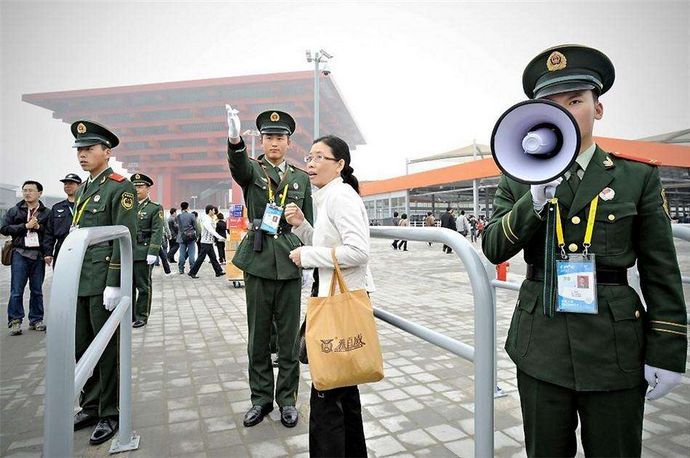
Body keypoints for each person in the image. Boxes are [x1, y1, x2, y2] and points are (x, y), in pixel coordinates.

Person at [482, 44, 687, 457]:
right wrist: (533, 202)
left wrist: (668, 349)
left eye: (576, 100)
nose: (565, 112)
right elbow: (493, 246)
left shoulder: (636, 176)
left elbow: (660, 269)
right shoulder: (518, 178)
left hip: (613, 346)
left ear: (598, 108)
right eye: (551, 104)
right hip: (541, 341)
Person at [226, 105, 313, 428]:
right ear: (259, 142)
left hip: (290, 258)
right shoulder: (252, 171)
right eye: (268, 137)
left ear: (289, 143)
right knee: (258, 336)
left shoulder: (301, 179)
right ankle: (260, 399)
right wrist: (234, 140)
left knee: (289, 339)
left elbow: (308, 224)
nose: (274, 143)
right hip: (259, 259)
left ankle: (287, 399)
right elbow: (237, 165)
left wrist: (310, 263)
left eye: (279, 138)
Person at [284, 135, 370, 458]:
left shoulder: (340, 197)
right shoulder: (329, 197)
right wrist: (303, 227)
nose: (310, 163)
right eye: (309, 157)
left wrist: (307, 256)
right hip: (332, 300)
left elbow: (358, 251)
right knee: (344, 393)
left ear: (340, 165)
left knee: (326, 394)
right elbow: (329, 246)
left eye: (320, 157)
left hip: (336, 306)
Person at [68, 120, 137, 445]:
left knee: (106, 348)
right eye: (79, 150)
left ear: (106, 152)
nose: (82, 155)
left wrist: (115, 280)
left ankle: (110, 412)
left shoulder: (118, 187)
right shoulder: (84, 188)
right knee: (82, 346)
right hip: (80, 279)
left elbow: (124, 237)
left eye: (89, 149)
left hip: (103, 282)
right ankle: (91, 404)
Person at [1, 180, 50, 335]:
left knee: (37, 290)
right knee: (16, 289)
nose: (27, 193)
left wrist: (38, 227)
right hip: (20, 253)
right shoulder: (15, 210)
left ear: (39, 193)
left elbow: (50, 232)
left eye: (30, 190)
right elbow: (3, 228)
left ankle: (36, 319)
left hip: (38, 255)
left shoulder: (46, 212)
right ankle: (15, 321)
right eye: (25, 190)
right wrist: (25, 227)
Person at [130, 173, 164, 328]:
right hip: (126, 251)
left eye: (140, 186)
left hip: (142, 251)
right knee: (127, 286)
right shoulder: (127, 206)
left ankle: (142, 315)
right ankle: (129, 315)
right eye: (134, 186)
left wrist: (153, 251)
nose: (137, 189)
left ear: (148, 188)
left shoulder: (154, 208)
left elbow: (157, 231)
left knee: (143, 286)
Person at [44, 173, 82, 266]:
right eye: (65, 184)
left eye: (71, 183)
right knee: (61, 277)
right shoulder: (57, 207)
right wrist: (48, 253)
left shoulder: (87, 205)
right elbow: (49, 232)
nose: (67, 186)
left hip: (82, 247)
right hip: (62, 248)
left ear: (80, 186)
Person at [188, 204, 226, 278]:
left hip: (209, 242)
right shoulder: (206, 219)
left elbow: (213, 228)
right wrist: (219, 237)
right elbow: (211, 230)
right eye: (213, 210)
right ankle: (192, 272)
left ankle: (218, 271)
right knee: (200, 258)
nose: (214, 211)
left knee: (213, 258)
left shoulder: (210, 218)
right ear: (210, 211)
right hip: (205, 242)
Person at [176, 201, 197, 274]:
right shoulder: (192, 216)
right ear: (187, 207)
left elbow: (177, 226)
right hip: (191, 237)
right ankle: (192, 268)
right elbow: (195, 227)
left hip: (182, 237)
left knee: (182, 254)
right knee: (191, 253)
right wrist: (196, 235)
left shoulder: (178, 216)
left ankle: (181, 269)